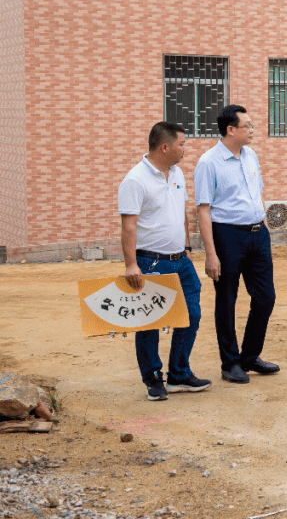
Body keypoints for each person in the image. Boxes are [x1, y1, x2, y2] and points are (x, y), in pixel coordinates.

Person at [118, 122, 211, 401]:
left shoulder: (177, 173)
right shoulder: (135, 180)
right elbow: (128, 226)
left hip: (181, 261)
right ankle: (153, 378)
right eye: (182, 144)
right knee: (150, 322)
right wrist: (131, 265)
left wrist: (186, 246)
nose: (185, 149)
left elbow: (180, 210)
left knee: (191, 314)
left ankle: (179, 374)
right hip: (151, 263)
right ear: (165, 147)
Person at [195, 105, 279, 384]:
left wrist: (263, 224)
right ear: (231, 129)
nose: (253, 130)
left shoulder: (251, 155)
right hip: (227, 235)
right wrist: (211, 253)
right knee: (227, 299)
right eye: (248, 126)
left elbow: (257, 193)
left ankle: (250, 356)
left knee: (266, 296)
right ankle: (230, 363)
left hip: (258, 233)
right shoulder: (209, 162)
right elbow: (203, 209)